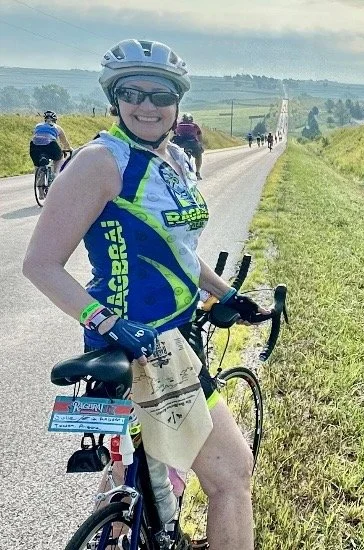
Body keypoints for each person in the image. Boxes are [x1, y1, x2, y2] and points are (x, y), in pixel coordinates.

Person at [23, 39, 271, 550]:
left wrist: (226, 295)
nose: (146, 105)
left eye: (160, 95)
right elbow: (40, 265)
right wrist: (110, 323)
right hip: (147, 345)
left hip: (174, 330)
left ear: (177, 102)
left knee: (135, 470)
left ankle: (116, 535)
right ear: (115, 99)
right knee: (232, 475)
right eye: (131, 93)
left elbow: (176, 251)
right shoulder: (100, 161)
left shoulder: (173, 158)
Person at [29, 110, 72, 178]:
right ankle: (56, 175)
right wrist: (69, 149)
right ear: (55, 120)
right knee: (59, 158)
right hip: (50, 144)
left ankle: (38, 176)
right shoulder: (57, 127)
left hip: (34, 145)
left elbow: (35, 136)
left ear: (45, 119)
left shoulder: (37, 126)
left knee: (37, 163)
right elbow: (65, 142)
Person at [172, 113, 204, 180]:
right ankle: (197, 172)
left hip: (181, 143)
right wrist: (201, 144)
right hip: (193, 143)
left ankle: (176, 171)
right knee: (198, 156)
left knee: (175, 155)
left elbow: (175, 133)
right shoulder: (194, 126)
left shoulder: (178, 125)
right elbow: (199, 135)